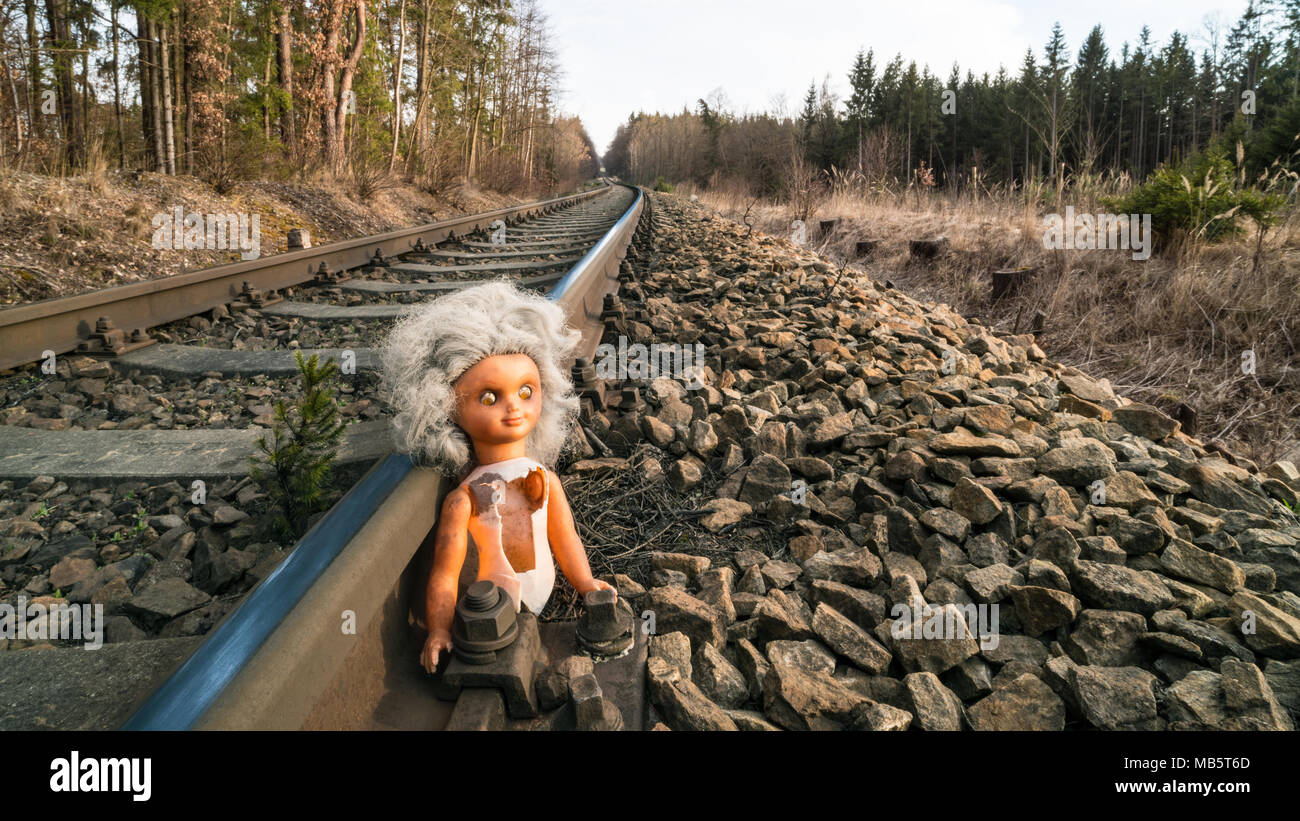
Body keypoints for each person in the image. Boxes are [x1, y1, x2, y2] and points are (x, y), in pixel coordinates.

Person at [380, 280, 615, 674]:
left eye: (526, 391)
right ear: (445, 406)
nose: (514, 409)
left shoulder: (546, 479)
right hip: (491, 611)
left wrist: (587, 584)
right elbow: (446, 570)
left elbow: (564, 536)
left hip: (535, 601)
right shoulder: (464, 499)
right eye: (489, 398)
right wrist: (438, 629)